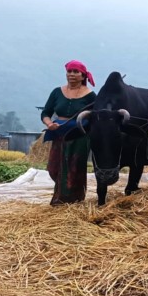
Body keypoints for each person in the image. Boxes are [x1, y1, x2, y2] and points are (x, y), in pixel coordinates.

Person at [41, 60, 97, 205]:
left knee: (74, 168)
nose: (71, 75)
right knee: (54, 168)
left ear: (82, 75)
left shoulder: (90, 96)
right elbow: (46, 113)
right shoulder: (57, 92)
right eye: (69, 71)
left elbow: (95, 116)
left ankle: (71, 200)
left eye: (75, 72)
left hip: (79, 135)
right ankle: (61, 196)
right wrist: (50, 124)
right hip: (58, 133)